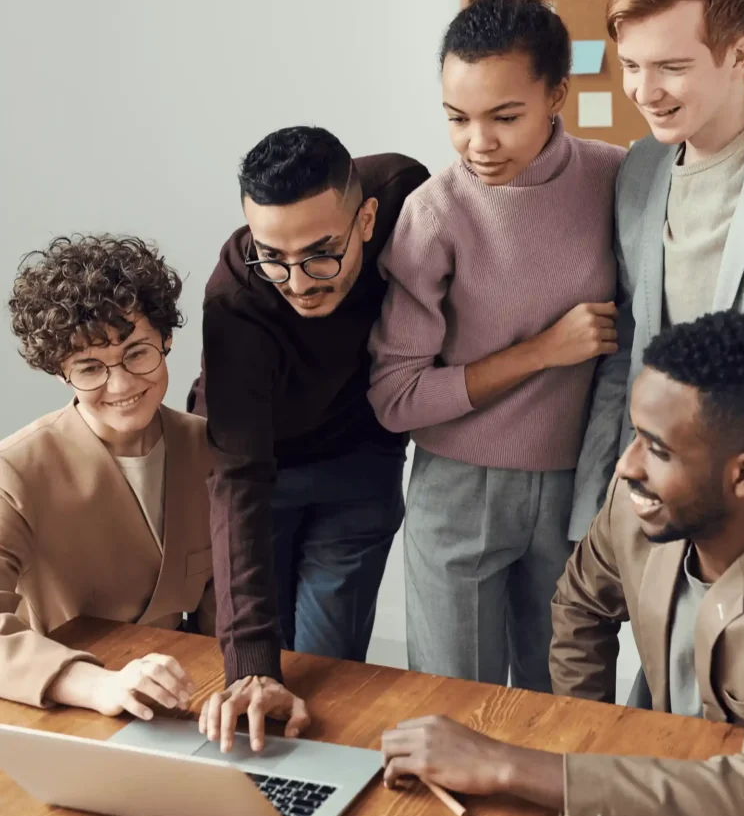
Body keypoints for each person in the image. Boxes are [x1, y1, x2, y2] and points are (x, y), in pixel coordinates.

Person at [382, 309, 744, 816]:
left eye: (657, 449)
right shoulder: (638, 503)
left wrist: (508, 765)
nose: (626, 466)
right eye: (635, 435)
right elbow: (580, 606)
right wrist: (582, 747)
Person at [368, 0, 625, 691]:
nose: (478, 143)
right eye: (457, 118)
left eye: (504, 116)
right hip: (458, 488)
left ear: (558, 96)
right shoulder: (436, 211)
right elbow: (395, 397)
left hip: (578, 485)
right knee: (457, 710)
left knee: (566, 706)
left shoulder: (616, 177)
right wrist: (544, 351)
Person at [189, 126, 428, 750]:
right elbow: (237, 474)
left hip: (359, 462)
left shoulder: (406, 194)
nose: (297, 281)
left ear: (368, 218)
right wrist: (251, 668)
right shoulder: (237, 296)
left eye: (322, 253)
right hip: (254, 472)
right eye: (273, 256)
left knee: (326, 681)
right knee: (256, 680)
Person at [574, 0, 744, 536]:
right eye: (631, 65)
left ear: (739, 55)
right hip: (654, 513)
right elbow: (626, 348)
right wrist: (595, 514)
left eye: (671, 67)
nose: (645, 91)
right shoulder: (637, 170)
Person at [0, 235, 214, 718]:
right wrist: (99, 687)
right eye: (90, 367)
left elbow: (228, 606)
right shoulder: (14, 470)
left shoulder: (208, 449)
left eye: (137, 352)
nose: (121, 385)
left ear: (167, 339)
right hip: (64, 700)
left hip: (188, 691)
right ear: (60, 372)